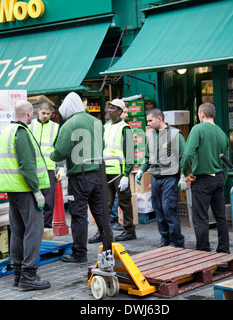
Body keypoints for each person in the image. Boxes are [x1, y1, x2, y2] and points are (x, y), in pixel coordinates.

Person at [0, 100, 51, 291]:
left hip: (12, 189)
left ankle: (18, 274)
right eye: (33, 114)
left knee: (18, 231)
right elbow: (27, 165)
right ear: (28, 113)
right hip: (25, 189)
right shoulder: (22, 132)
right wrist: (36, 190)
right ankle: (29, 274)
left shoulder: (6, 132)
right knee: (34, 231)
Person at [49, 92, 108, 263]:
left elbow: (60, 151)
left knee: (78, 214)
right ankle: (109, 249)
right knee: (101, 212)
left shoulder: (69, 125)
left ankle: (80, 253)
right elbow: (102, 145)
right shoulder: (96, 122)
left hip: (80, 175)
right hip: (99, 173)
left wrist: (53, 156)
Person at [180, 102, 230, 253]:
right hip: (219, 178)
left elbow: (188, 154)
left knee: (201, 217)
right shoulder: (222, 134)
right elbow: (226, 163)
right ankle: (224, 249)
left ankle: (203, 251)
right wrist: (222, 180)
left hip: (202, 180)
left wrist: (185, 173)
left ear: (201, 114)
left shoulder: (198, 129)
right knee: (220, 217)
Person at [136, 108, 185, 248]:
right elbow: (147, 157)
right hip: (155, 178)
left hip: (170, 177)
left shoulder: (175, 134)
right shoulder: (150, 135)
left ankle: (177, 241)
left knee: (168, 209)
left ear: (160, 119)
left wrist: (183, 175)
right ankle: (165, 239)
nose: (149, 123)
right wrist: (141, 170)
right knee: (158, 209)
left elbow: (184, 157)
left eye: (150, 121)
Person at [89, 99, 136, 243]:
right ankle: (103, 232)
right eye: (109, 107)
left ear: (120, 111)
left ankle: (129, 230)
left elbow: (129, 153)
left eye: (113, 108)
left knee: (124, 202)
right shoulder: (106, 126)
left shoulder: (125, 128)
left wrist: (126, 175)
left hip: (119, 172)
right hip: (105, 170)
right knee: (105, 203)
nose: (109, 110)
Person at [29, 101, 59, 229]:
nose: (46, 116)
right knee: (32, 198)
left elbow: (58, 148)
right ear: (39, 110)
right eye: (43, 113)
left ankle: (46, 226)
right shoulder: (30, 125)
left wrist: (61, 168)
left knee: (49, 200)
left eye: (48, 114)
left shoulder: (55, 127)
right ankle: (34, 225)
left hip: (48, 168)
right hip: (33, 168)